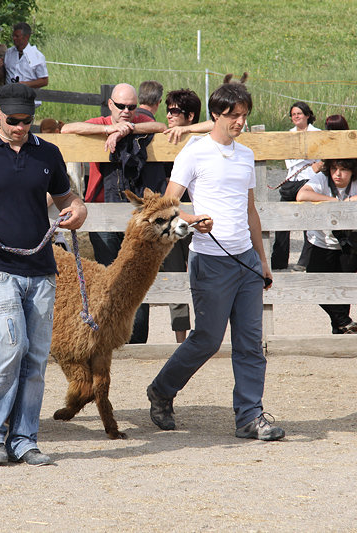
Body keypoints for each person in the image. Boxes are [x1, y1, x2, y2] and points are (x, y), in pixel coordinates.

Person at [0, 83, 87, 466]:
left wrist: (78, 210)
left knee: (36, 356)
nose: (20, 127)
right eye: (13, 120)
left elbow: (67, 197)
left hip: (41, 268)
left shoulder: (48, 153)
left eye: (27, 121)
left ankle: (25, 439)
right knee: (10, 346)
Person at [146, 83, 285, 441]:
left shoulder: (245, 155)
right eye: (233, 115)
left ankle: (250, 417)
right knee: (207, 339)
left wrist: (262, 260)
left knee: (251, 342)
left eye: (244, 115)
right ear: (215, 115)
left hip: (247, 261)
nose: (240, 121)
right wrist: (193, 220)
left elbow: (250, 211)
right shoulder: (194, 152)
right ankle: (161, 389)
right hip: (210, 260)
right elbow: (166, 205)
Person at [61, 83, 166, 343]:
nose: (126, 111)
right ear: (110, 104)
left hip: (134, 216)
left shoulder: (139, 121)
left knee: (136, 276)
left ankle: (136, 341)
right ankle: (109, 337)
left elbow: (161, 126)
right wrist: (109, 129)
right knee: (109, 276)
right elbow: (66, 129)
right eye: (121, 106)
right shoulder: (100, 122)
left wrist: (127, 130)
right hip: (102, 211)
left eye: (131, 106)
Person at [296, 158, 357, 333]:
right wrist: (334, 202)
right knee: (315, 285)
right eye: (334, 168)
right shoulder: (322, 179)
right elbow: (302, 195)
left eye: (344, 169)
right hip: (321, 241)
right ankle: (346, 324)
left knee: (343, 292)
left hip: (350, 243)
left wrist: (350, 201)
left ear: (353, 171)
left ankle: (341, 332)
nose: (338, 174)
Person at [159, 89, 213, 343]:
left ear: (190, 116)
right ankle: (181, 340)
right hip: (173, 220)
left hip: (197, 218)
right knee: (173, 275)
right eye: (168, 110)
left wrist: (187, 130)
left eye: (175, 111)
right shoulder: (164, 137)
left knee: (201, 277)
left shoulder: (203, 139)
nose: (169, 116)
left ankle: (204, 335)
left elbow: (216, 123)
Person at [271, 101, 321, 271]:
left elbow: (324, 157)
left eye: (299, 113)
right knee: (282, 219)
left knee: (309, 219)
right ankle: (279, 260)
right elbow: (288, 161)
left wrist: (317, 166)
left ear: (307, 115)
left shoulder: (317, 133)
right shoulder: (289, 134)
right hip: (292, 180)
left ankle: (305, 260)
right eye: (293, 114)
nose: (296, 117)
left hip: (310, 180)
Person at [4, 23, 48, 89]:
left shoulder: (37, 56)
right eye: (13, 36)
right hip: (9, 93)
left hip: (28, 93)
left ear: (26, 37)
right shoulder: (9, 53)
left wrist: (26, 84)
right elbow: (4, 73)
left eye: (17, 36)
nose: (14, 38)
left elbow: (44, 81)